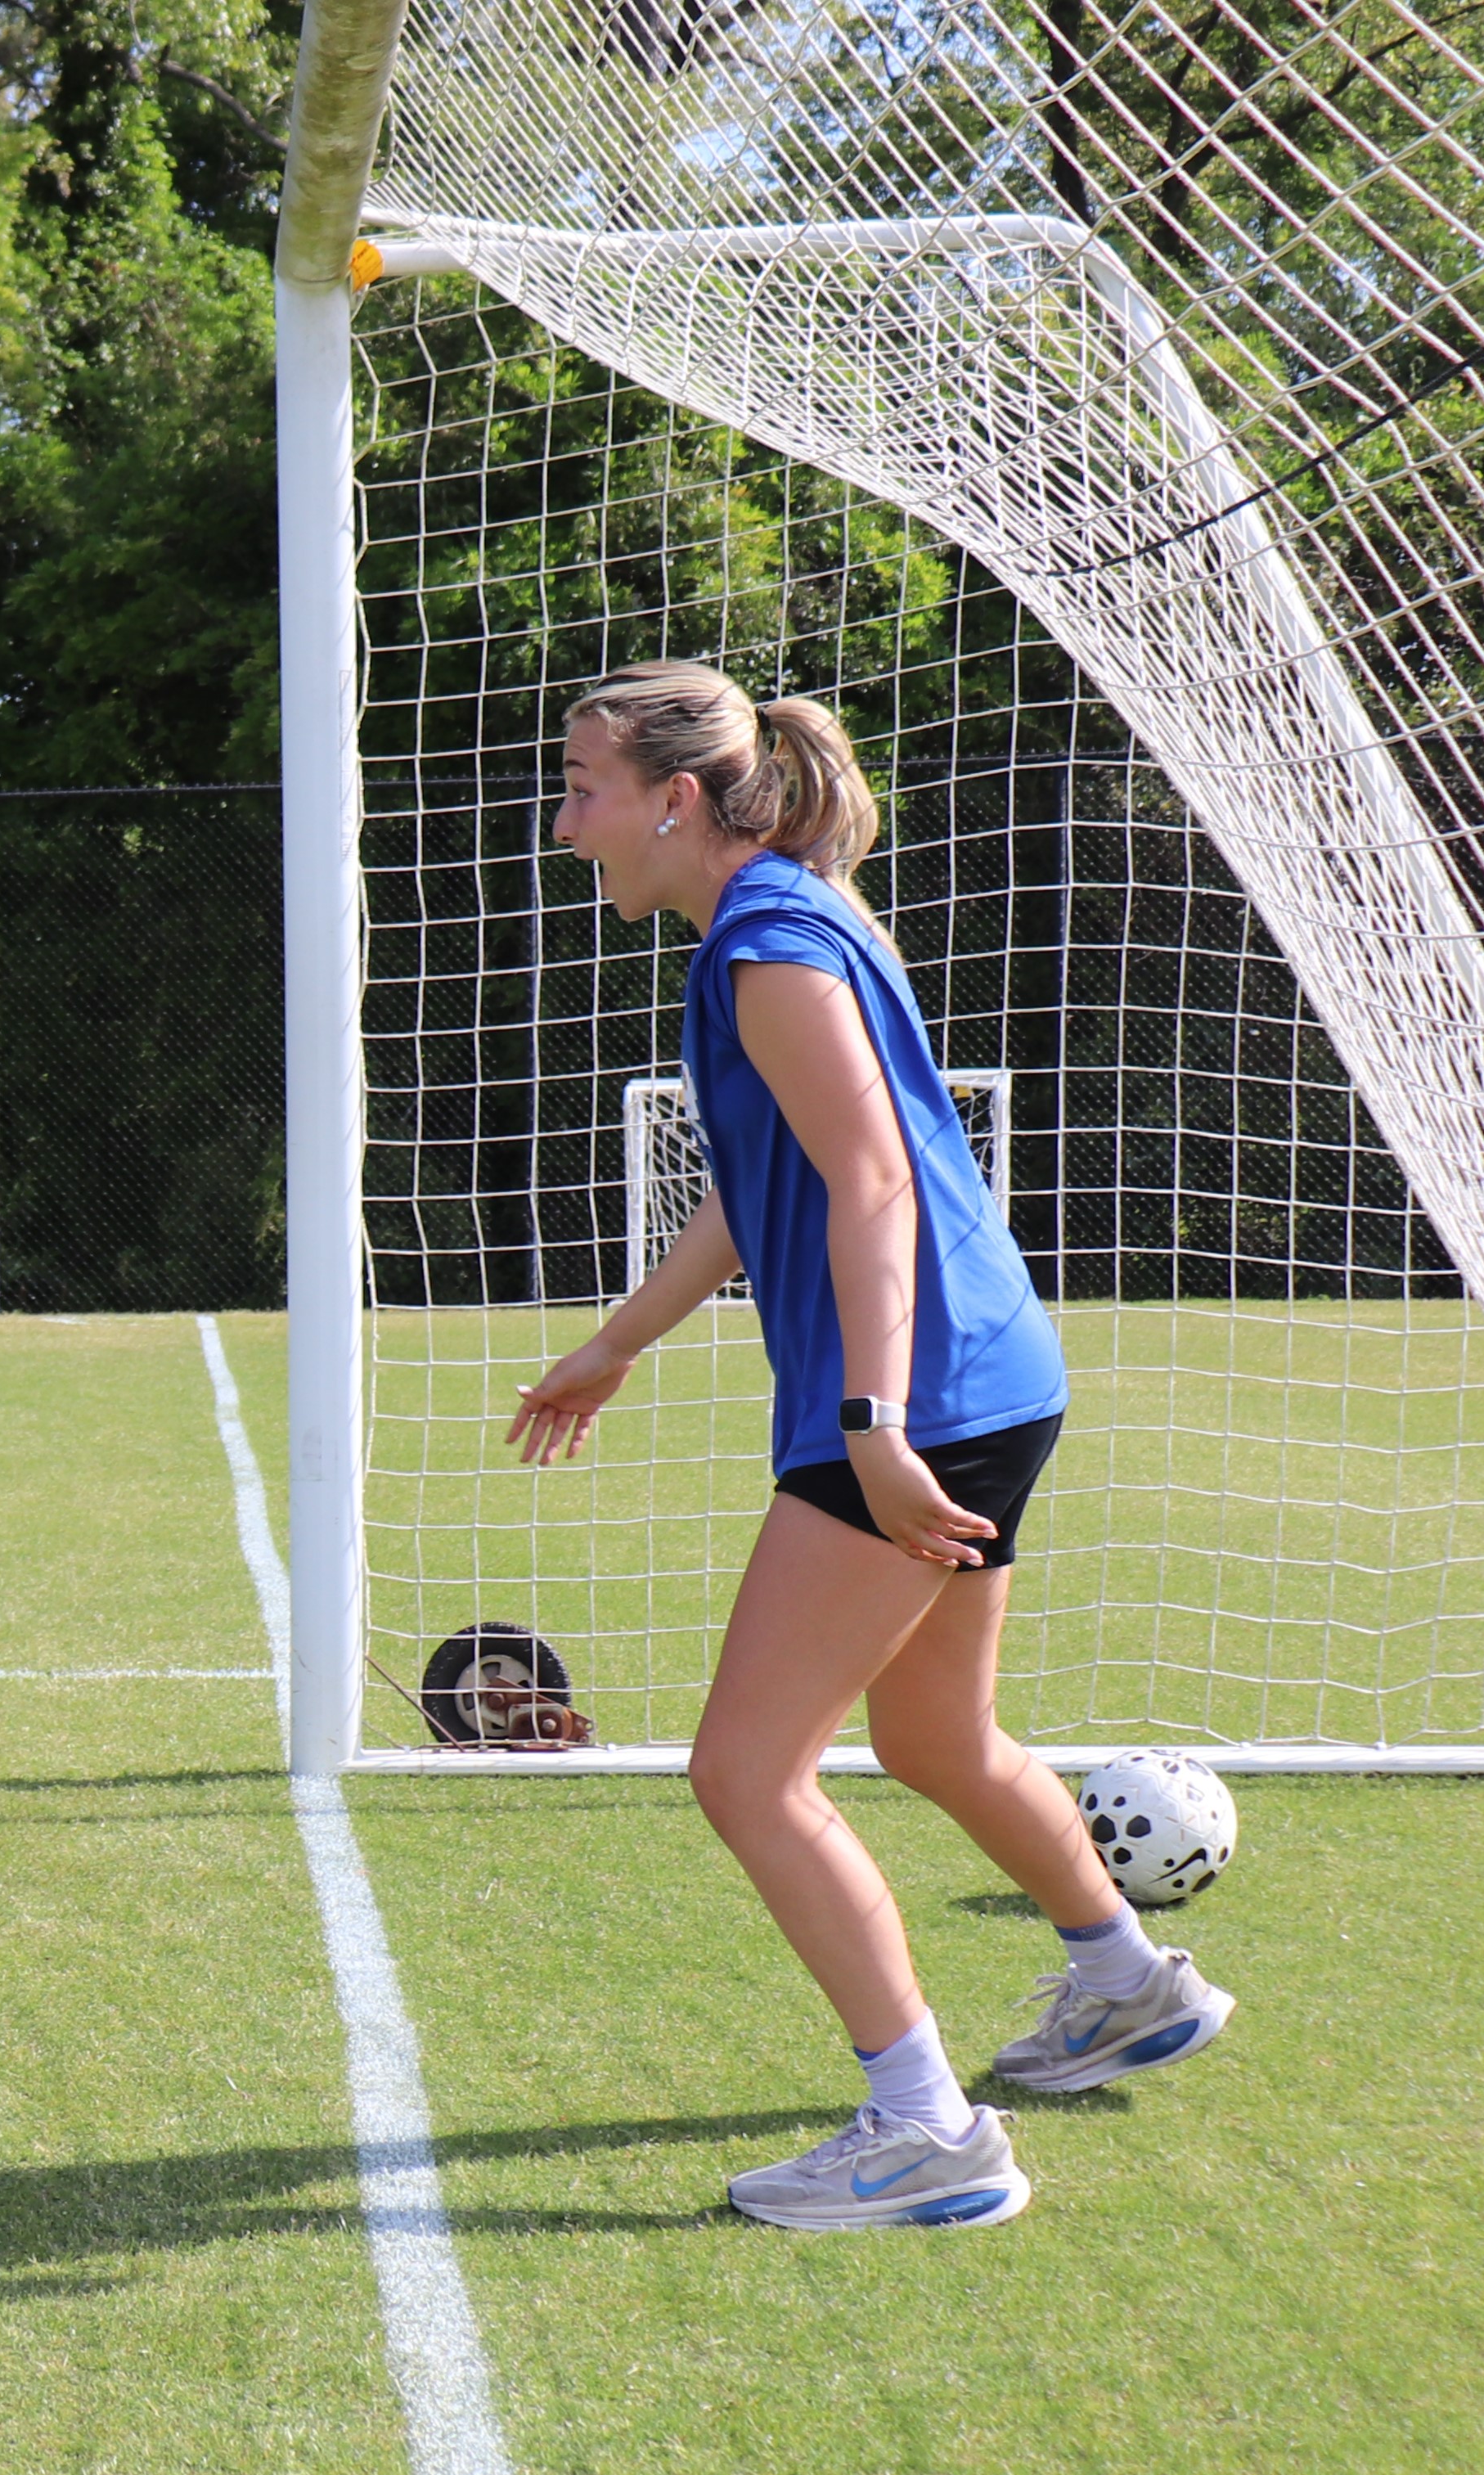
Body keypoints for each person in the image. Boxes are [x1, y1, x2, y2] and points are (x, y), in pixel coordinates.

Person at [504, 661, 1235, 2230]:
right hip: (989, 1378)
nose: (566, 824)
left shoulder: (769, 946)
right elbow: (760, 1181)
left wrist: (876, 1427)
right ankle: (1122, 1980)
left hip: (922, 1405)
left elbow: (873, 1187)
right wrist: (619, 1343)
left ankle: (924, 2127)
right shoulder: (778, 924)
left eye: (583, 789)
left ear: (675, 801)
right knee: (933, 1740)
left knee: (745, 1776)